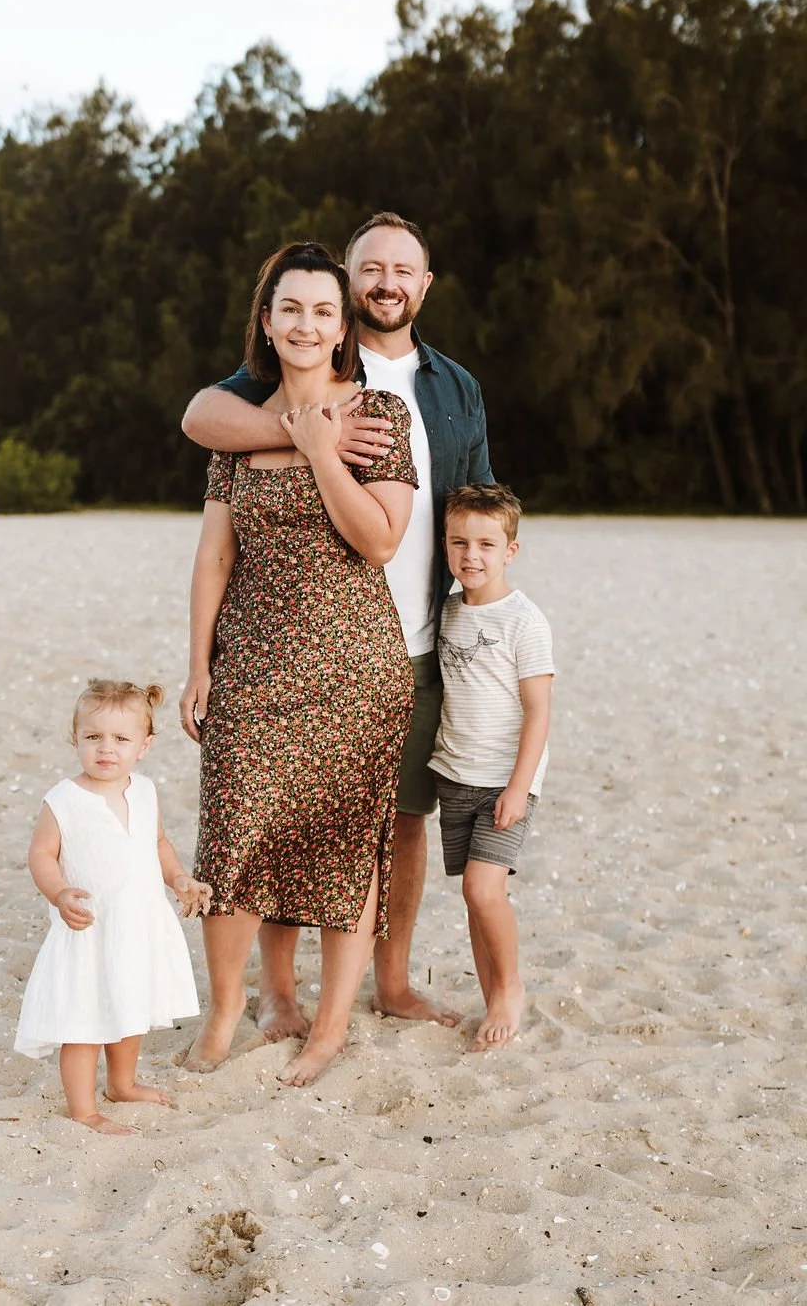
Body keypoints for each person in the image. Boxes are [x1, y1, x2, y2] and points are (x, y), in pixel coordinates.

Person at [181, 211, 493, 1036]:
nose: (387, 281)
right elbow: (200, 420)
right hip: (277, 644)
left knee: (399, 818)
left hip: (412, 636)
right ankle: (278, 991)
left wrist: (496, 612)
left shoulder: (453, 388)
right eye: (372, 268)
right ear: (347, 286)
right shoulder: (273, 380)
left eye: (405, 269)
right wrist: (307, 434)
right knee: (283, 814)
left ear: (425, 284)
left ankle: (391, 982)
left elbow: (473, 501)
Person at [180, 241, 417, 1087]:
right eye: (292, 309)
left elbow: (381, 539)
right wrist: (199, 661)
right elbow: (213, 555)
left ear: (343, 323)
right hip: (249, 660)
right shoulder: (238, 422)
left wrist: (323, 452)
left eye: (324, 310)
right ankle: (222, 1017)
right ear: (269, 321)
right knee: (233, 838)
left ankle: (328, 1030)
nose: (308, 324)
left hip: (355, 667)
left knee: (344, 844)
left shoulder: (380, 418)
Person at [15, 678, 212, 1134]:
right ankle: (84, 1109)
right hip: (90, 927)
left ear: (144, 746)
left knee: (131, 1005)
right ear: (75, 738)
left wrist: (179, 879)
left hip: (137, 923)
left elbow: (157, 842)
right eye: (93, 737)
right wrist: (60, 893)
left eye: (121, 739)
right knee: (85, 1019)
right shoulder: (64, 799)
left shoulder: (145, 791)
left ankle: (121, 1083)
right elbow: (41, 854)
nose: (107, 749)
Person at [429, 484, 554, 1050]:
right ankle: (491, 997)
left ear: (510, 550)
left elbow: (539, 711)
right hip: (455, 773)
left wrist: (519, 788)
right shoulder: (448, 611)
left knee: (484, 891)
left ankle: (510, 990)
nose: (470, 556)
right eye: (459, 543)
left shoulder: (523, 621)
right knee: (473, 895)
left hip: (506, 783)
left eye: (485, 543)